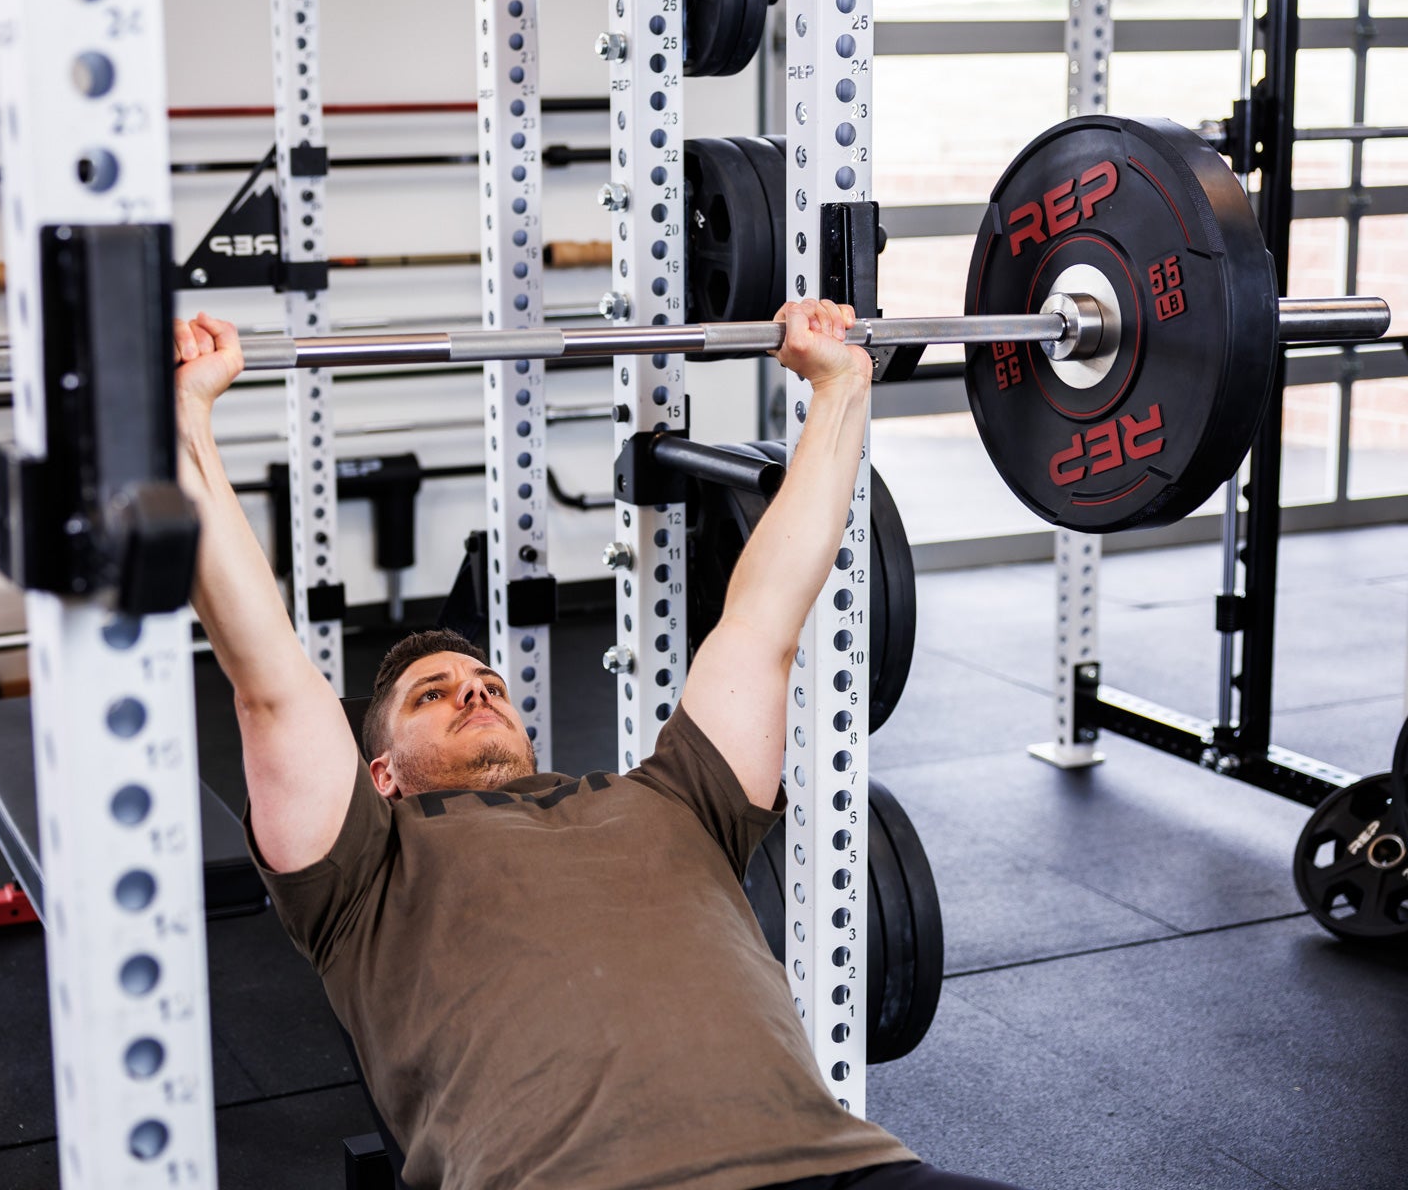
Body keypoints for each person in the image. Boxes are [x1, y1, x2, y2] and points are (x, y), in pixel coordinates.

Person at [174, 304, 1023, 1190]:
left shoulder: (676, 797)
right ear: (377, 772)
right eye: (434, 695)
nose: (473, 689)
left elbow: (766, 615)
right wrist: (187, 419)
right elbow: (269, 681)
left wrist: (841, 386)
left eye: (489, 686)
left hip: (844, 1171)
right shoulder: (363, 874)